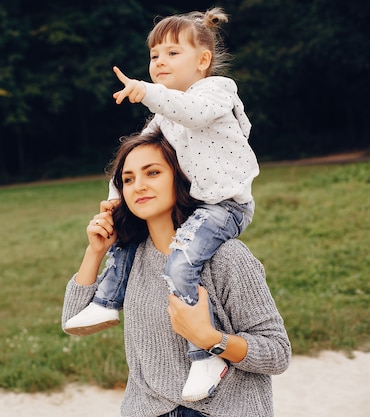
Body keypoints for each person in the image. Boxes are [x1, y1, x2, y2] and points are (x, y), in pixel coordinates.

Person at [63, 7, 260, 401]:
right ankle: (105, 301)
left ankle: (203, 355)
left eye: (172, 53)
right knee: (125, 244)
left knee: (183, 260)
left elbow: (191, 111)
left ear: (203, 61)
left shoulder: (216, 91)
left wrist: (146, 90)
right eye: (155, 56)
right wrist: (112, 208)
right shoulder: (163, 113)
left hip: (225, 204)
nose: (160, 62)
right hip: (147, 406)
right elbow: (133, 157)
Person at [61, 129, 291, 416]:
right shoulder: (131, 255)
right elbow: (72, 320)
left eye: (153, 173)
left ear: (181, 175)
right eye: (128, 179)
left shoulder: (227, 257)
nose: (138, 186)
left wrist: (211, 339)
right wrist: (94, 252)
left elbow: (277, 353)